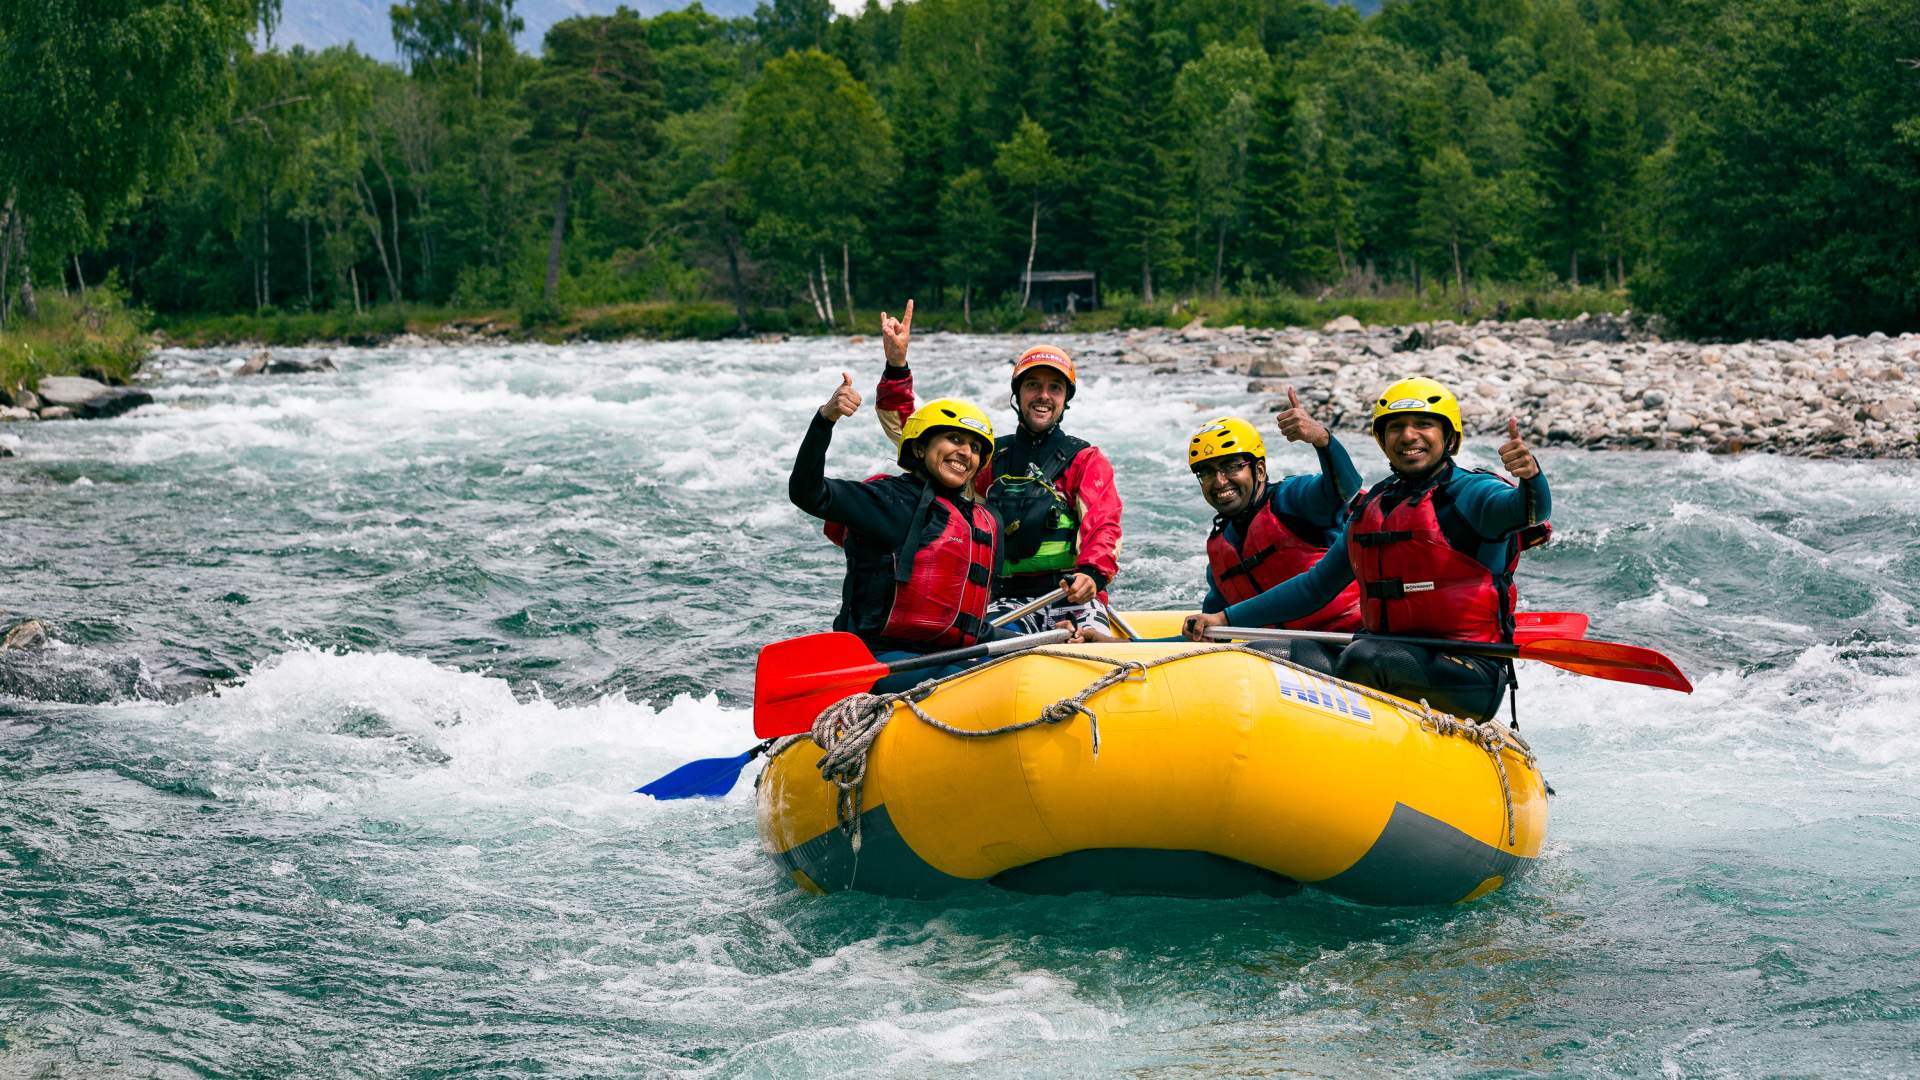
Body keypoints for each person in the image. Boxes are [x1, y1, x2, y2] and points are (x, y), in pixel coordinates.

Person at [1183, 377, 1552, 722]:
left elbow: (1527, 510)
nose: (1408, 436)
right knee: (1274, 653)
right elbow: (1315, 586)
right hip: (1382, 656)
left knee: (1366, 656)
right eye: (1395, 427)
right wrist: (1224, 621)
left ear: (1449, 438)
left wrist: (1531, 477)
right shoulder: (1374, 507)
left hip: (1467, 670)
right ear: (1382, 438)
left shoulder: (1473, 494)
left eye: (1423, 424)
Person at [872, 299, 1124, 638]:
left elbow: (1104, 525)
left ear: (1065, 399)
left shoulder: (1086, 460)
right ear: (1018, 394)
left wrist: (1093, 574)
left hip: (1072, 596)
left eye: (1054, 388)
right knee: (993, 646)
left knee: (1093, 644)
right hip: (1006, 599)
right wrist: (897, 366)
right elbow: (915, 432)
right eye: (1033, 385)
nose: (1043, 396)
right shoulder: (988, 455)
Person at [789, 372, 1004, 664]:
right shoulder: (889, 500)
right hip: (880, 661)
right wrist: (825, 419)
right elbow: (807, 493)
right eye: (954, 439)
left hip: (950, 658)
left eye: (976, 448)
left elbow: (975, 628)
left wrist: (1058, 638)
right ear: (919, 447)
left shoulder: (981, 520)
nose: (965, 452)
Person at [1191, 389, 1364, 632]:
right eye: (1207, 472)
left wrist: (1322, 439)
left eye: (1231, 466)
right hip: (1281, 655)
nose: (1219, 482)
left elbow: (1346, 489)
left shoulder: (1292, 499)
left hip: (1349, 641)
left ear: (1260, 470)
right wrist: (1130, 648)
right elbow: (1207, 634)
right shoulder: (1220, 548)